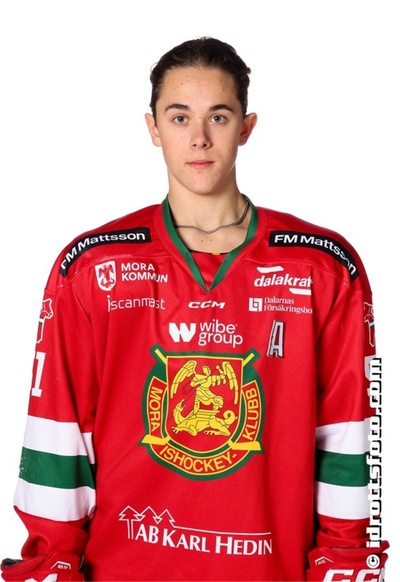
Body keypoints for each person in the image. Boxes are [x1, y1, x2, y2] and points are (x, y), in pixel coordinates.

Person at [1, 37, 389, 581]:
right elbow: (57, 438)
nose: (199, 138)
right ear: (153, 128)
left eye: (219, 117)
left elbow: (350, 439)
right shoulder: (92, 266)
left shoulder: (322, 267)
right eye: (180, 118)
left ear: (246, 127)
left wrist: (346, 568)